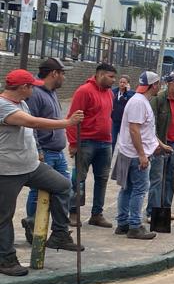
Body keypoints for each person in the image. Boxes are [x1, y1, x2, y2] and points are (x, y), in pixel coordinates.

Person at [0, 69, 86, 276]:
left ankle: (59, 234)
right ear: (23, 87)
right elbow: (32, 122)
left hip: (31, 165)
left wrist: (37, 151)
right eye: (31, 86)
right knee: (3, 215)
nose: (34, 89)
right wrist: (67, 123)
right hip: (7, 170)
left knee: (63, 185)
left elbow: (31, 130)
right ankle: (5, 259)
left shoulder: (23, 103)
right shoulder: (3, 105)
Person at [112, 71, 170, 239]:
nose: (160, 86)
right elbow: (134, 129)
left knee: (128, 188)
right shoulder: (139, 103)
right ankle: (134, 225)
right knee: (139, 189)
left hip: (130, 152)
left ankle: (123, 223)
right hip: (134, 154)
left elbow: (146, 131)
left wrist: (160, 144)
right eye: (158, 83)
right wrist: (142, 155)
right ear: (153, 85)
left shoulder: (140, 101)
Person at [23, 58, 72, 242]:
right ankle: (33, 226)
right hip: (46, 151)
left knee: (65, 188)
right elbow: (30, 124)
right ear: (54, 73)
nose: (64, 78)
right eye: (63, 73)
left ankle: (58, 230)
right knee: (38, 192)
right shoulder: (35, 93)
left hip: (58, 152)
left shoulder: (52, 92)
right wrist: (38, 150)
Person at [66, 62, 118, 228]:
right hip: (86, 141)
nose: (114, 80)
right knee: (79, 178)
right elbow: (72, 118)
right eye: (111, 77)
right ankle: (74, 212)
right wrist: (73, 143)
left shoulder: (110, 93)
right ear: (100, 75)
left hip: (105, 142)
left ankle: (97, 214)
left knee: (102, 179)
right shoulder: (84, 91)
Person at [147, 72, 174, 222]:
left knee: (170, 178)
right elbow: (151, 124)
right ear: (168, 83)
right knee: (157, 178)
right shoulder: (158, 100)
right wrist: (155, 143)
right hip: (161, 143)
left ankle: (166, 209)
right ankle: (152, 212)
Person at [111, 75, 134, 149]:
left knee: (123, 143)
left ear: (128, 84)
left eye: (124, 82)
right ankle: (109, 158)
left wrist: (128, 92)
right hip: (114, 121)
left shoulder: (131, 94)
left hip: (124, 122)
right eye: (120, 82)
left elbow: (131, 103)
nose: (122, 84)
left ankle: (121, 158)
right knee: (112, 141)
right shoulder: (113, 91)